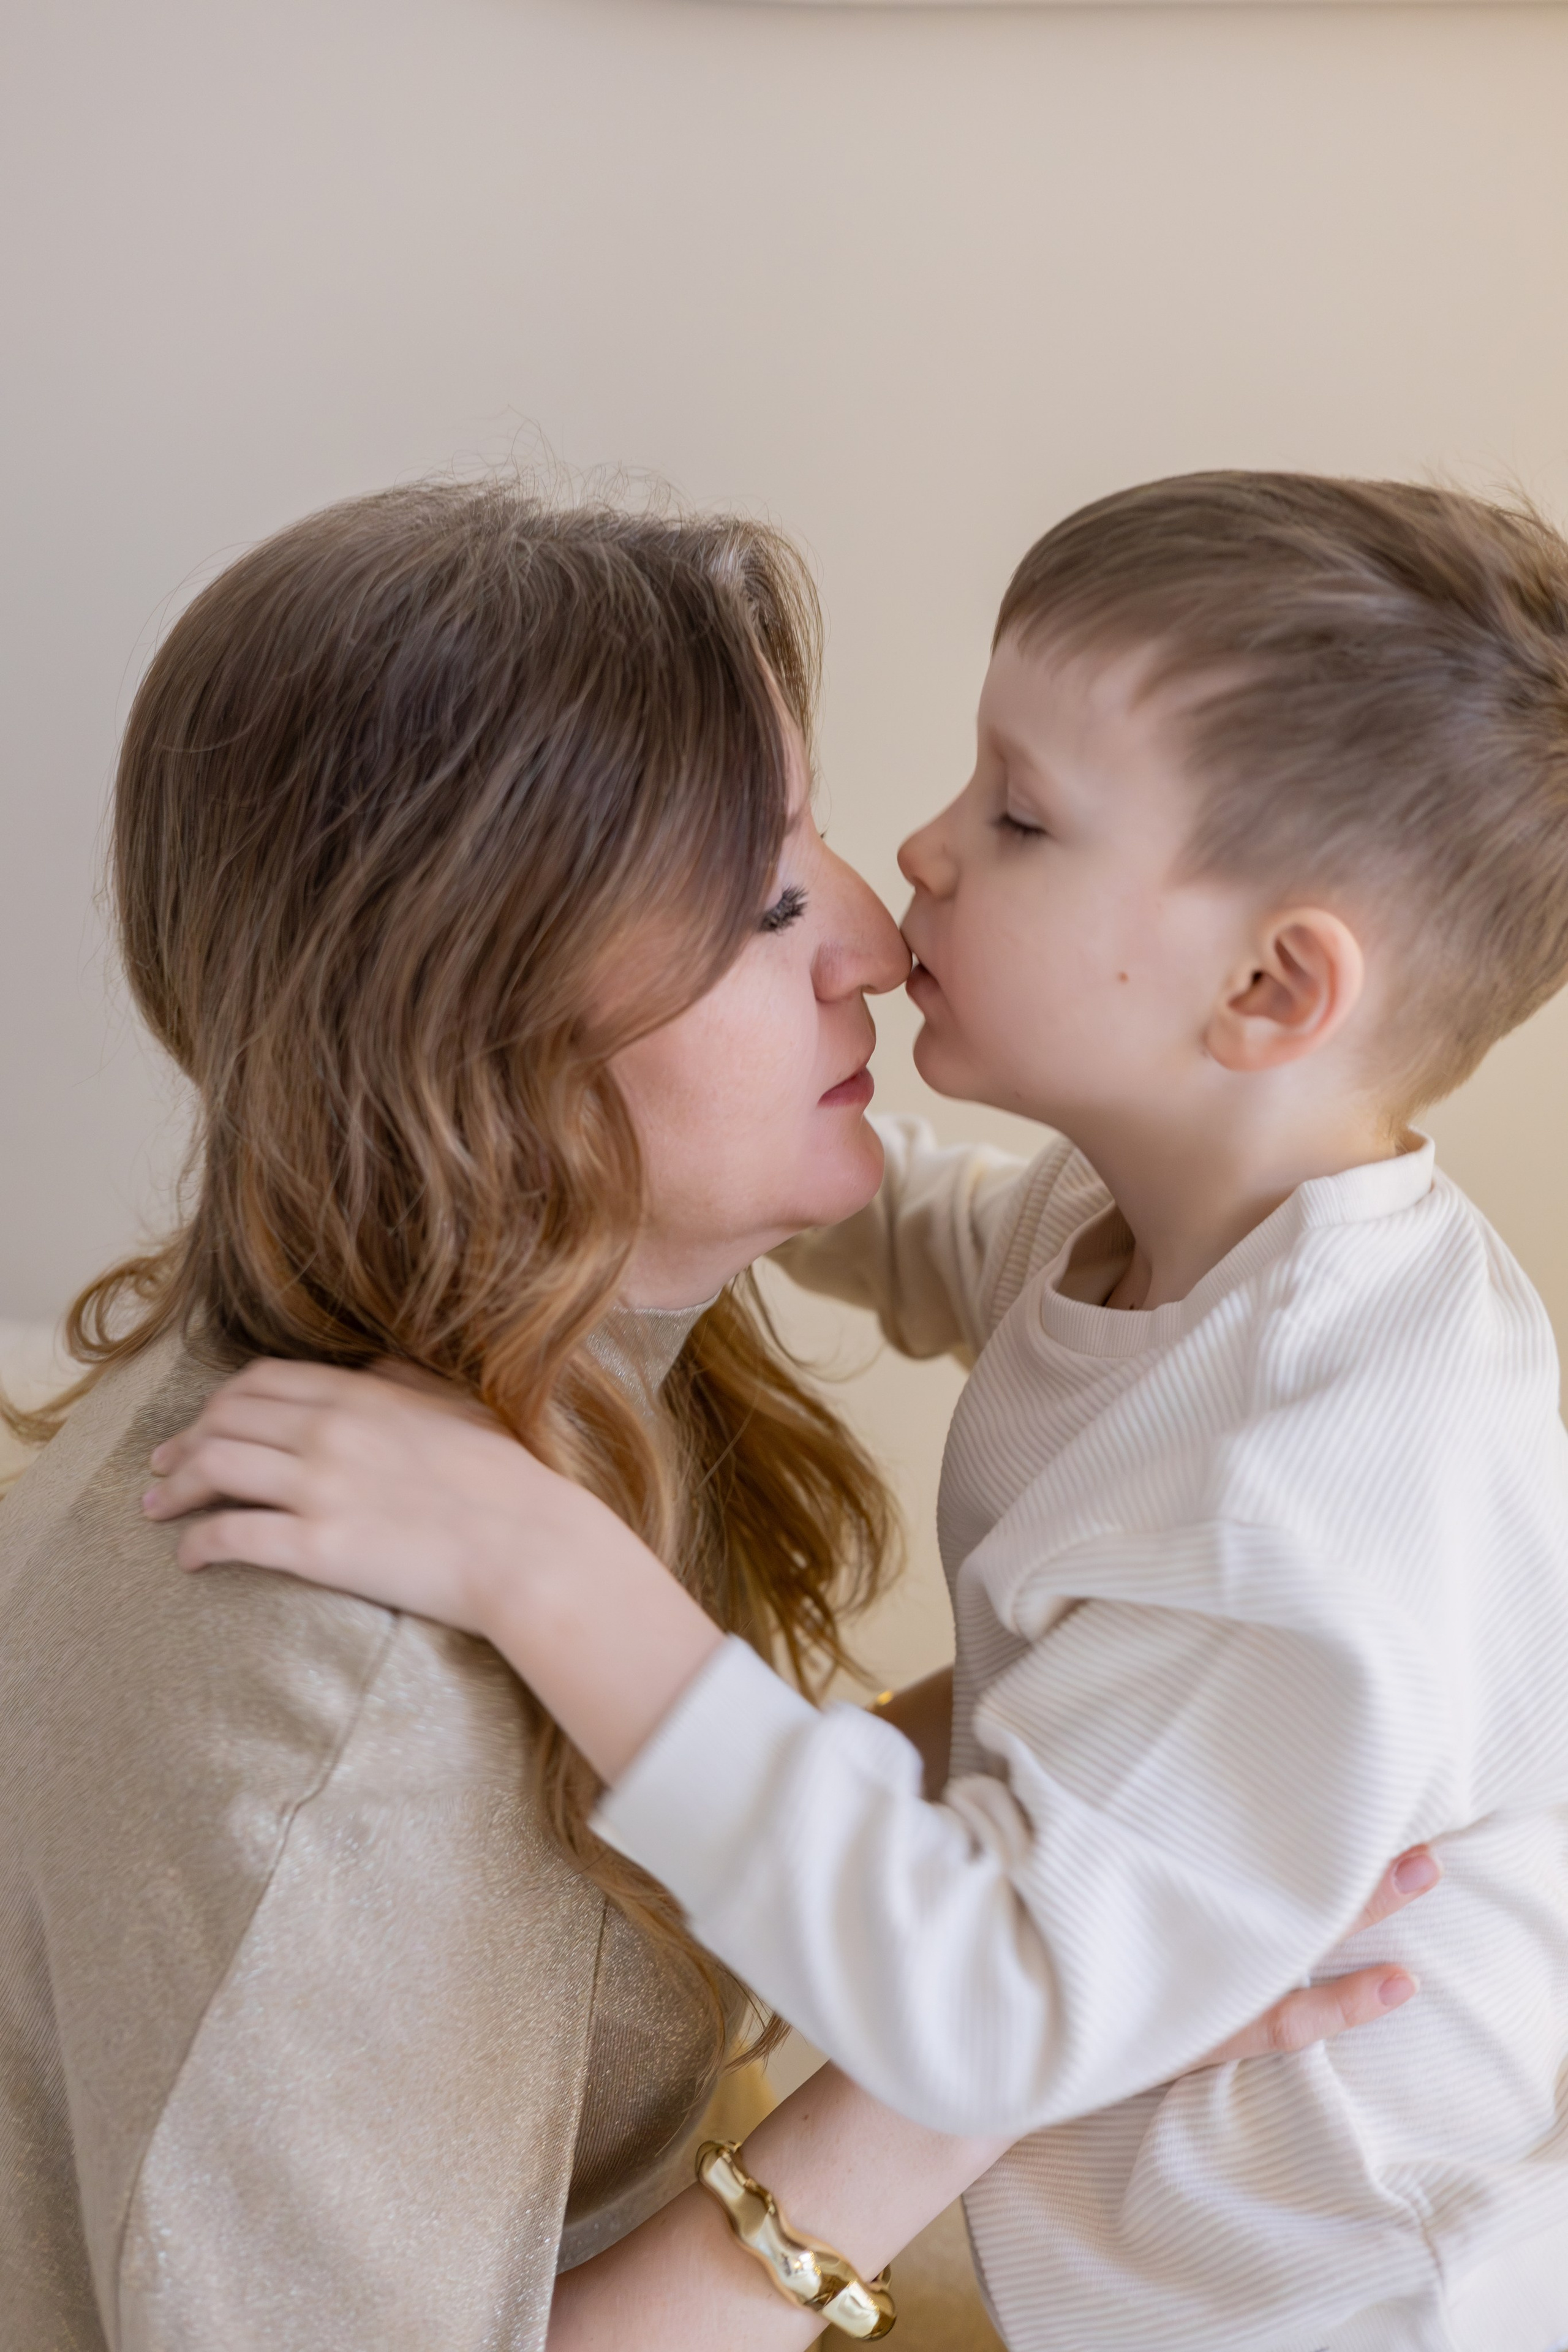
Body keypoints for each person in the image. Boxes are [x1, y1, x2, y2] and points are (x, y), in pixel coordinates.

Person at [0, 481, 1429, 2352]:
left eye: (810, 837)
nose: (869, 932)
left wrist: (1138, 1862)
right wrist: (1005, 2050)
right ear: (475, 1043)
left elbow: (609, 1939)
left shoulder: (510, 1382)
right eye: (762, 898)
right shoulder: (342, 1711)